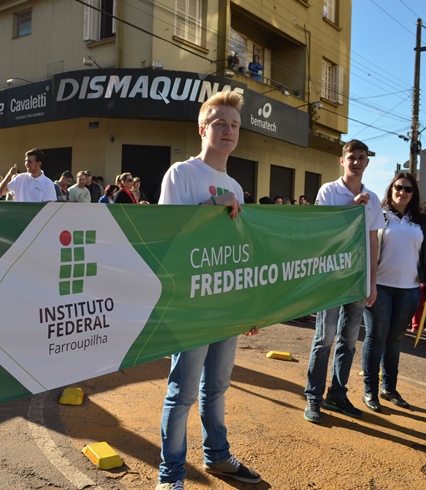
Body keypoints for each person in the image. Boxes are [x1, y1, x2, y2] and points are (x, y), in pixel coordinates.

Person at [156, 90, 261, 489]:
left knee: (216, 388)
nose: (228, 130)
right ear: (203, 129)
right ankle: (170, 475)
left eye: (234, 125)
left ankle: (217, 457)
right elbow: (168, 238)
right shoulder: (181, 174)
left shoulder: (235, 185)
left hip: (225, 303)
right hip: (191, 304)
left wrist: (247, 306)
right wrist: (211, 212)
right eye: (219, 123)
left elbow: (238, 253)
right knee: (182, 393)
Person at [304, 139, 384, 424]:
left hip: (358, 278)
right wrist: (352, 206)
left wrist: (372, 282)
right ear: (342, 160)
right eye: (352, 157)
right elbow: (322, 229)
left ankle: (337, 394)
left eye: (361, 158)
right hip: (330, 276)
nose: (356, 162)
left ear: (367, 162)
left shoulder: (373, 198)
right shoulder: (328, 191)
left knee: (349, 341)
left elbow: (373, 241)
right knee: (324, 338)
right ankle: (313, 397)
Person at [360, 173, 426, 412]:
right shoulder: (378, 214)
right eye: (398, 187)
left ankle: (389, 388)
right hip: (379, 287)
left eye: (408, 189)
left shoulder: (421, 221)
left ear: (414, 194)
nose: (402, 192)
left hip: (409, 290)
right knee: (375, 338)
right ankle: (370, 390)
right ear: (391, 188)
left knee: (394, 341)